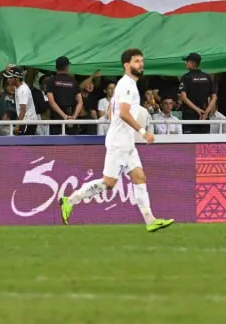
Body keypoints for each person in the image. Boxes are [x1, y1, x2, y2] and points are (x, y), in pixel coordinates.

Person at [59, 48, 175, 232]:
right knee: (109, 182)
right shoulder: (127, 85)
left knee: (139, 177)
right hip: (120, 142)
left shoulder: (126, 85)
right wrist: (143, 132)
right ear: (126, 65)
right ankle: (70, 200)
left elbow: (114, 113)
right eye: (137, 61)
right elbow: (124, 113)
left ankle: (150, 220)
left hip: (125, 141)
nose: (141, 64)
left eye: (141, 61)